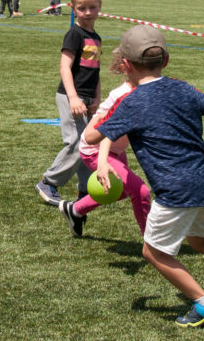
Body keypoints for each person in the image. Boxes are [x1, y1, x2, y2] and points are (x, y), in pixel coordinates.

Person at [86, 24, 204, 328]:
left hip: (174, 190)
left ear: (125, 65)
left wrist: (104, 117)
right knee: (203, 240)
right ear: (165, 61)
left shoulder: (130, 102)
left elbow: (93, 135)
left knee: (152, 252)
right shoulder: (183, 88)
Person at [58, 48, 151, 237]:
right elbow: (100, 131)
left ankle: (75, 210)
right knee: (140, 192)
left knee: (122, 191)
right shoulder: (123, 95)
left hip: (115, 150)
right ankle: (154, 245)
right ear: (127, 68)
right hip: (95, 149)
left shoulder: (149, 90)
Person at [35, 0, 102, 206]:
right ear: (74, 9)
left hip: (87, 98)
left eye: (92, 7)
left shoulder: (96, 37)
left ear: (99, 7)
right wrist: (73, 97)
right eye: (82, 8)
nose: (88, 12)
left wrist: (97, 98)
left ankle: (84, 190)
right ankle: (49, 181)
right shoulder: (75, 34)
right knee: (76, 142)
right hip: (70, 96)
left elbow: (96, 71)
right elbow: (65, 67)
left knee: (89, 143)